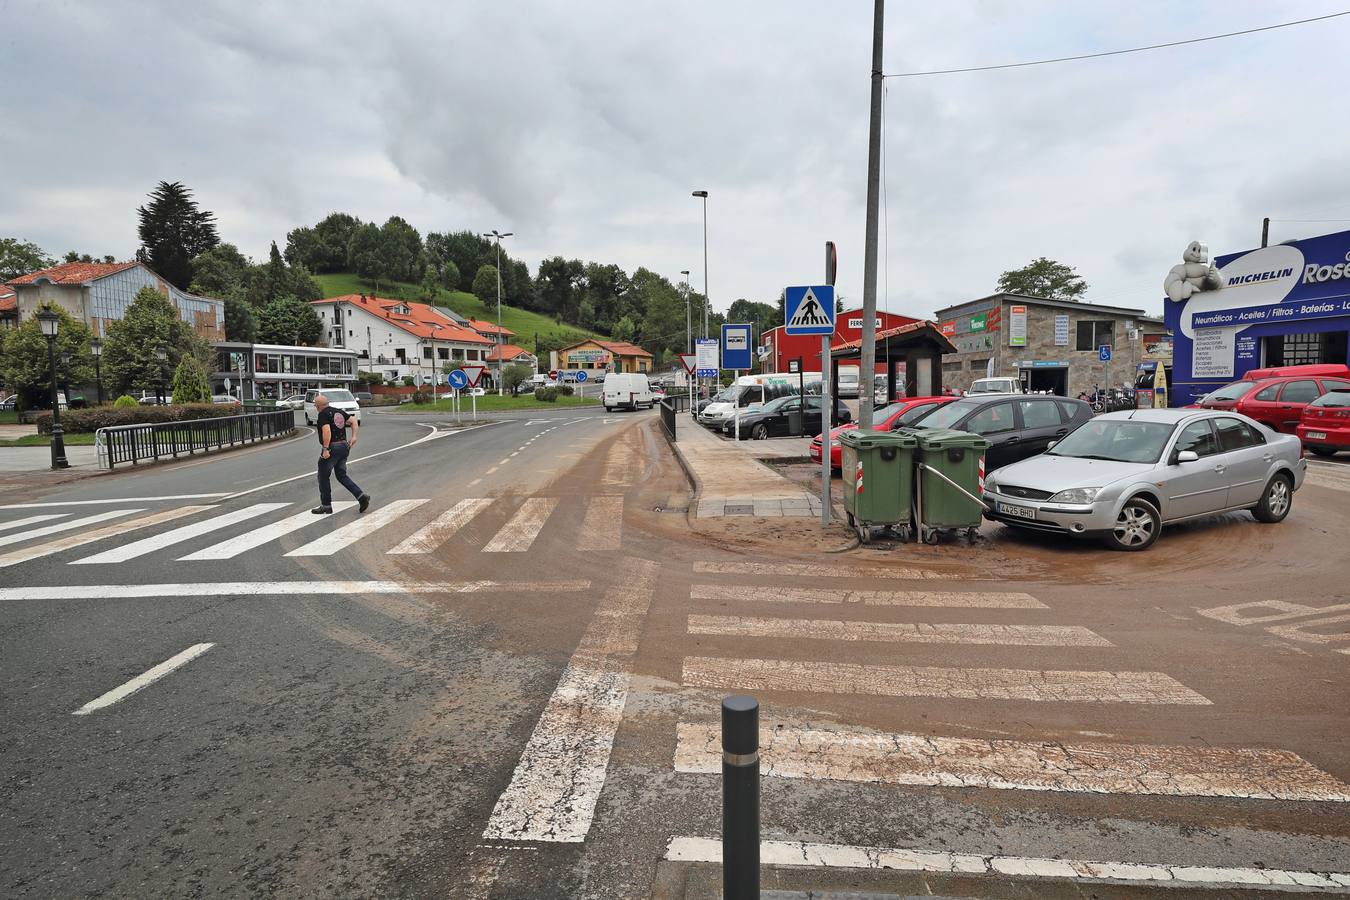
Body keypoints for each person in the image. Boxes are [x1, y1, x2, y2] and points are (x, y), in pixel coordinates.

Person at [313, 394, 370, 514]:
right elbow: (353, 421)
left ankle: (326, 505)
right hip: (344, 446)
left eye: (315, 404)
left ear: (318, 406)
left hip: (332, 447)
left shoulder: (323, 414)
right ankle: (361, 496)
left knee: (323, 476)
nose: (314, 406)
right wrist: (354, 437)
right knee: (341, 475)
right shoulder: (338, 412)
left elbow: (327, 431)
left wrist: (325, 448)